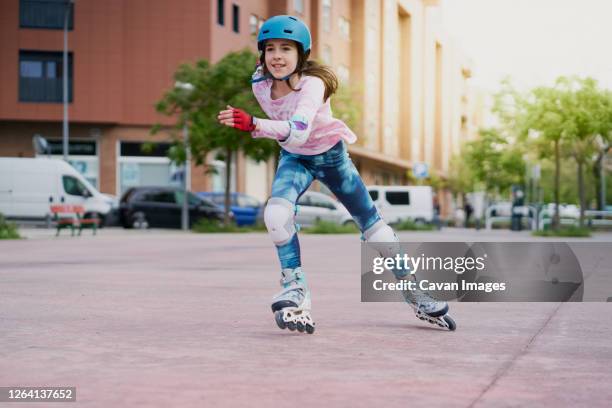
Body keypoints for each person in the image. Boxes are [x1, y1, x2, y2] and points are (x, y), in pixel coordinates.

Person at [217, 15, 455, 334]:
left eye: (286, 49)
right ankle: (295, 288)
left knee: (377, 231)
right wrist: (257, 125)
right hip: (295, 159)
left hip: (331, 158)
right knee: (275, 215)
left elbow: (299, 130)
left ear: (303, 54)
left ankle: (414, 291)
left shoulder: (313, 85)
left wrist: (255, 125)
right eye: (270, 48)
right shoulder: (260, 82)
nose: (276, 56)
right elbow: (291, 140)